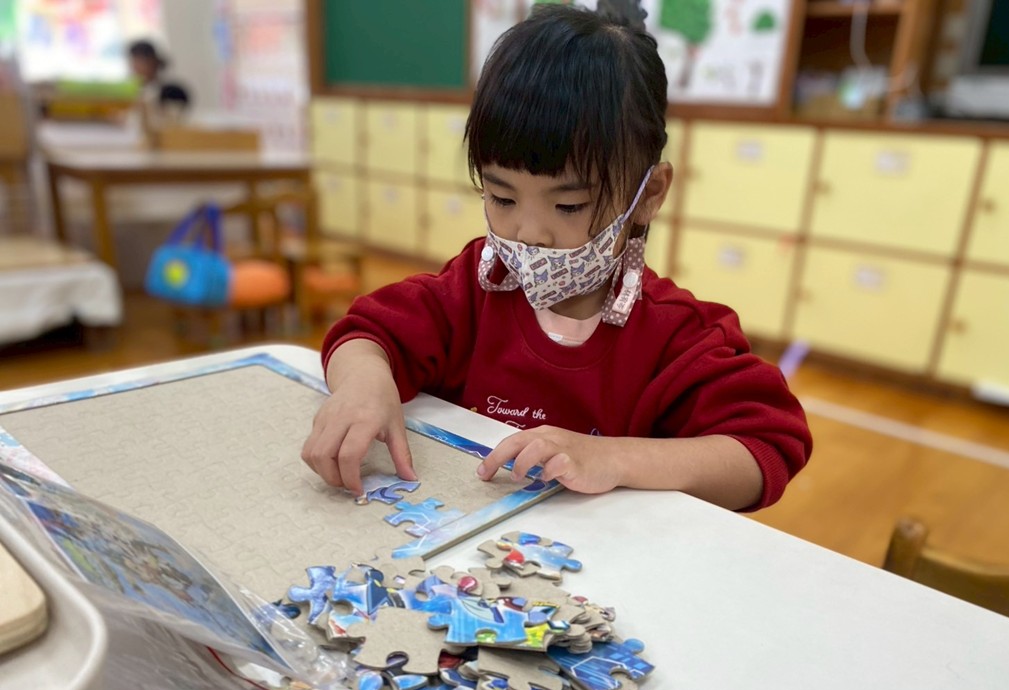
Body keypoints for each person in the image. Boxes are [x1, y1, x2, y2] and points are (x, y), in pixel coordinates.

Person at [302, 3, 812, 512]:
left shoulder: (674, 335)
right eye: (502, 197)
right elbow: (366, 334)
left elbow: (765, 448)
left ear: (650, 194)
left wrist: (614, 457)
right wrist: (363, 383)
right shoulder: (475, 286)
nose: (529, 233)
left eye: (568, 206)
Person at [127, 39, 190, 117]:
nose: (135, 67)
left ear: (153, 61)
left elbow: (174, 118)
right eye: (133, 62)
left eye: (139, 61)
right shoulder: (132, 92)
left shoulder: (171, 91)